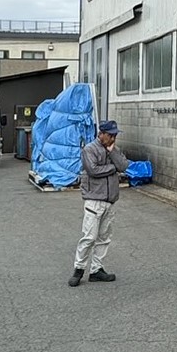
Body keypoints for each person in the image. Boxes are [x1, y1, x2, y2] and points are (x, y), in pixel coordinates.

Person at [68, 120, 129, 286]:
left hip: (110, 201)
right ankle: (78, 270)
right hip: (94, 200)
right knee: (89, 237)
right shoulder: (89, 149)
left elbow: (124, 165)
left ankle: (96, 270)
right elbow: (93, 170)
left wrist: (113, 152)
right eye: (110, 135)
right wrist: (112, 168)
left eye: (115, 135)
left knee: (104, 238)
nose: (113, 138)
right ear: (101, 134)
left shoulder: (113, 149)